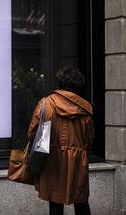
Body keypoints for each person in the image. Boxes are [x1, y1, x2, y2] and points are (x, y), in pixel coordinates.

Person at [27, 67, 94, 215]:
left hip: (53, 160)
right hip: (77, 162)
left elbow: (32, 132)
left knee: (55, 203)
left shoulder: (47, 103)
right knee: (81, 203)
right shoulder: (85, 109)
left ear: (60, 83)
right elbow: (89, 138)